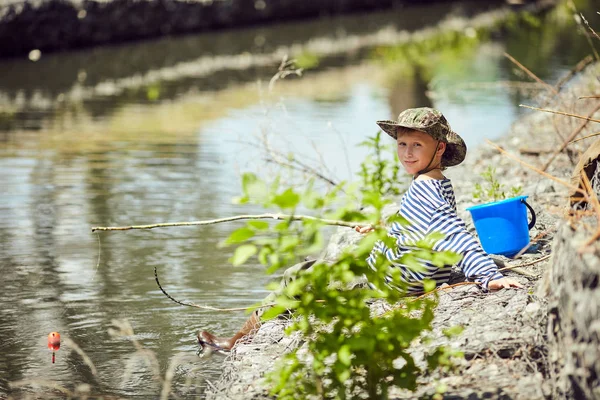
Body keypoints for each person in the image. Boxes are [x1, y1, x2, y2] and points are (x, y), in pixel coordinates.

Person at [197, 107, 522, 352]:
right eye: (403, 144)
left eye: (417, 146)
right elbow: (423, 224)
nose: (407, 153)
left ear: (438, 149)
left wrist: (487, 274)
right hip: (415, 274)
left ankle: (235, 342)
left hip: (395, 282)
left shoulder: (425, 187)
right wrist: (383, 226)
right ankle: (254, 330)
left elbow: (454, 233)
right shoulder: (435, 182)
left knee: (298, 275)